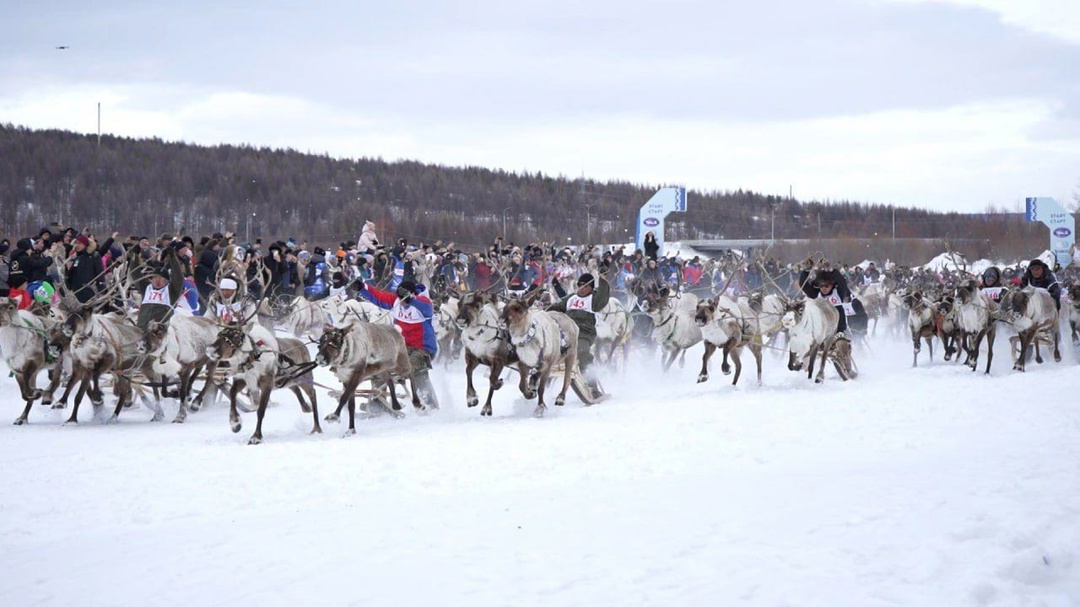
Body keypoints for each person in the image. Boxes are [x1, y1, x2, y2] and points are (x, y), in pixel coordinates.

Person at [357, 278, 439, 408]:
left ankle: (427, 401)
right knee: (379, 366)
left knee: (414, 366)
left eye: (403, 299)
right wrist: (362, 287)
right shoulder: (395, 301)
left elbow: (426, 307)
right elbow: (378, 296)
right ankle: (378, 401)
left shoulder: (422, 302)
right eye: (399, 298)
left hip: (422, 348)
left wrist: (411, 300)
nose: (401, 302)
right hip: (401, 348)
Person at [549, 272, 611, 399]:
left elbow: (602, 298)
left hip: (584, 333)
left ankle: (593, 387)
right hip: (567, 332)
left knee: (582, 352)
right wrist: (541, 312)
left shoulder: (593, 299)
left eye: (585, 286)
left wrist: (603, 280)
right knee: (551, 351)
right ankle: (541, 384)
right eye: (580, 285)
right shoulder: (571, 298)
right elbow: (556, 307)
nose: (582, 288)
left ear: (591, 288)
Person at [798, 261, 867, 339]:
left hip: (838, 329)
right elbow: (803, 285)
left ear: (832, 285)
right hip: (822, 328)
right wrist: (806, 271)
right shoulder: (816, 294)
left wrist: (832, 271)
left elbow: (842, 282)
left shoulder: (838, 292)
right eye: (821, 286)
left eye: (826, 286)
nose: (824, 288)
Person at [136, 248, 185, 329]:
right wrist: (134, 256)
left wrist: (172, 257)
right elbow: (136, 275)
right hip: (141, 327)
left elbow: (178, 276)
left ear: (167, 281)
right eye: (155, 277)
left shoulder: (172, 291)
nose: (157, 280)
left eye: (161, 278)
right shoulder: (146, 288)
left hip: (160, 330)